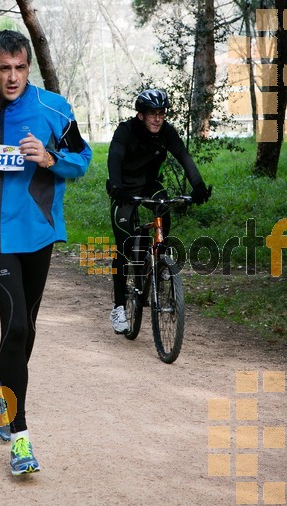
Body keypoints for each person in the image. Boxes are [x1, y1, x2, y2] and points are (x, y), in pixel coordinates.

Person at [0, 30, 92, 475]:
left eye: (20, 68)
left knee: (27, 327)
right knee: (13, 325)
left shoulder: (54, 108)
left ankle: (8, 399)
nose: (13, 77)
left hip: (38, 232)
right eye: (4, 68)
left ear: (28, 67)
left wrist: (48, 158)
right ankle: (21, 437)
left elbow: (82, 159)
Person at [106, 89, 211, 334]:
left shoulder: (166, 132)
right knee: (123, 240)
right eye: (152, 114)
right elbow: (114, 157)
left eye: (161, 113)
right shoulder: (126, 131)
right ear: (140, 115)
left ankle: (160, 261)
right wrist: (117, 186)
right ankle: (119, 307)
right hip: (124, 188)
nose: (157, 119)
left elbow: (184, 156)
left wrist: (198, 185)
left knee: (164, 208)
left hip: (150, 185)